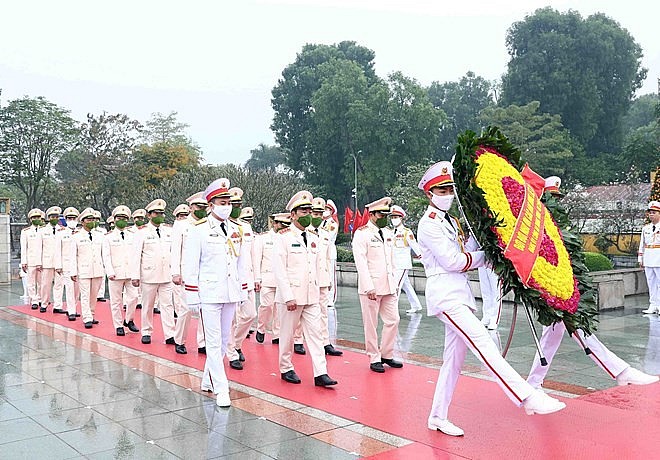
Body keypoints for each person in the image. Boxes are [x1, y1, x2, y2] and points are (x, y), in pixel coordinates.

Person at [416, 161, 566, 437]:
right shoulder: (428, 225)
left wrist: (488, 239)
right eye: (442, 189)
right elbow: (453, 261)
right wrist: (486, 257)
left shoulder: (452, 221)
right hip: (446, 296)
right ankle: (526, 396)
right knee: (484, 343)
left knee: (453, 361)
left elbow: (467, 249)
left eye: (450, 188)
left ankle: (437, 416)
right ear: (429, 193)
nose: (448, 193)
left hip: (458, 295)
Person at [526, 182, 659, 389]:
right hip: (551, 289)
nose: (557, 203)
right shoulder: (536, 225)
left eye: (558, 198)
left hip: (562, 288)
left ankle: (534, 382)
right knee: (568, 331)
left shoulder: (556, 224)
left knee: (559, 334)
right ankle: (621, 371)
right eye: (552, 198)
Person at [183, 177, 250, 407]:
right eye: (221, 202)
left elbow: (241, 262)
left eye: (228, 202)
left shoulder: (237, 229)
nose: (226, 206)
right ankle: (222, 390)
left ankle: (208, 379)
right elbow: (190, 264)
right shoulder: (198, 230)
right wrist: (192, 294)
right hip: (209, 293)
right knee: (212, 342)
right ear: (210, 205)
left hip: (230, 292)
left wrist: (243, 290)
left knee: (222, 341)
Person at [273, 191, 337, 387]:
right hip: (291, 297)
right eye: (303, 211)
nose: (307, 214)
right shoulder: (282, 237)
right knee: (287, 335)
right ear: (292, 215)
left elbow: (317, 266)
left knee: (316, 334)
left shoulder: (313, 236)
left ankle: (321, 372)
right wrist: (288, 296)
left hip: (311, 295)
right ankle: (286, 367)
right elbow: (280, 270)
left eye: (309, 210)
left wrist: (319, 291)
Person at [352, 197, 402, 373]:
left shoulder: (388, 233)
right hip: (371, 287)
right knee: (371, 324)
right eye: (381, 214)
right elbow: (361, 262)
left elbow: (391, 261)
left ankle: (386, 353)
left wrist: (394, 283)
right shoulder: (362, 233)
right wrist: (368, 287)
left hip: (388, 285)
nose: (384, 217)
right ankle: (374, 357)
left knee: (393, 320)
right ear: (372, 214)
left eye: (386, 214)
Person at [131, 199, 176, 345]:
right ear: (149, 215)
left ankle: (170, 334)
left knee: (168, 306)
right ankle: (146, 331)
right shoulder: (142, 232)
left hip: (166, 275)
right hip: (149, 275)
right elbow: (136, 255)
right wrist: (135, 276)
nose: (160, 216)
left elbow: (172, 253)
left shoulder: (168, 231)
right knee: (148, 305)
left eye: (162, 213)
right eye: (157, 213)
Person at [171, 192, 209, 354]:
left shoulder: (207, 224)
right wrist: (175, 273)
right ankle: (179, 340)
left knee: (205, 311)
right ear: (191, 207)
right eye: (198, 207)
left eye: (204, 207)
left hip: (205, 274)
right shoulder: (181, 225)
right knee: (185, 310)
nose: (201, 210)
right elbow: (175, 250)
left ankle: (202, 343)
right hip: (186, 274)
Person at [225, 187, 257, 370]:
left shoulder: (246, 227)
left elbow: (251, 254)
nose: (236, 207)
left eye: (239, 204)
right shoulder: (222, 227)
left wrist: (256, 277)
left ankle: (236, 344)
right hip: (229, 279)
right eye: (233, 204)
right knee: (230, 318)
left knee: (250, 314)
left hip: (247, 278)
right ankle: (231, 353)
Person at [311, 197, 342, 356]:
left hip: (322, 276)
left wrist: (328, 279)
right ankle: (296, 340)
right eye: (315, 212)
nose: (319, 214)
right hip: (307, 279)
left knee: (323, 312)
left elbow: (327, 254)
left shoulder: (326, 230)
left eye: (321, 211)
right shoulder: (306, 231)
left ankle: (325, 342)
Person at [102, 205, 140, 336]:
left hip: (130, 272)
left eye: (124, 218)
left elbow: (136, 255)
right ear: (114, 219)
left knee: (134, 297)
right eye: (119, 218)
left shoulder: (133, 235)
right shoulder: (108, 237)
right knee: (116, 301)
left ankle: (129, 319)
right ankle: (118, 325)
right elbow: (106, 256)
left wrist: (137, 272)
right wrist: (109, 272)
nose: (122, 220)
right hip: (116, 273)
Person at [254, 212, 290, 344]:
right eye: (281, 224)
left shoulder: (288, 238)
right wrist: (257, 279)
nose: (284, 227)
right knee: (267, 305)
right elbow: (257, 259)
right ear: (275, 224)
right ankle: (261, 328)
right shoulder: (263, 238)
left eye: (287, 225)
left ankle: (277, 334)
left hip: (283, 280)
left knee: (279, 309)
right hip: (267, 277)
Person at [68, 208, 105, 329]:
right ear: (82, 222)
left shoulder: (100, 235)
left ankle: (92, 314)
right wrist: (73, 271)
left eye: (93, 219)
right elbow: (73, 255)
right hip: (83, 270)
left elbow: (104, 253)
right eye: (89, 219)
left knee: (94, 295)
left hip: (97, 269)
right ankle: (87, 317)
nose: (91, 221)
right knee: (85, 294)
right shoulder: (76, 236)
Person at [389, 205, 424, 314]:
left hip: (403, 264)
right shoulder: (391, 232)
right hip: (395, 264)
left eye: (396, 217)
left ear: (401, 218)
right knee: (406, 286)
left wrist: (423, 260)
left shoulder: (406, 232)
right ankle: (416, 305)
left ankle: (392, 309)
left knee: (396, 286)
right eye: (392, 217)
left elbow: (415, 246)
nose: (394, 219)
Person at [55, 207, 81, 321]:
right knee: (69, 288)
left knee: (77, 290)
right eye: (69, 218)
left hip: (80, 266)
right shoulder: (61, 233)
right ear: (65, 219)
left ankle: (74, 308)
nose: (72, 220)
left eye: (74, 218)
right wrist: (58, 265)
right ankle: (71, 311)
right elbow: (57, 250)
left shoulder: (81, 233)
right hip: (67, 265)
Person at [38, 206, 63, 313]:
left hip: (59, 262)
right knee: (45, 284)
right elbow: (39, 247)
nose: (54, 218)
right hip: (46, 261)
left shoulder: (62, 230)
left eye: (56, 217)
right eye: (52, 216)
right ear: (49, 218)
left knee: (59, 284)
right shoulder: (42, 230)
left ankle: (57, 305)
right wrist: (38, 262)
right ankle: (44, 303)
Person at [21, 208, 45, 310]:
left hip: (42, 260)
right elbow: (24, 247)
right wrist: (24, 261)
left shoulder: (44, 230)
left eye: (38, 217)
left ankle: (40, 299)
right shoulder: (26, 232)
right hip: (31, 260)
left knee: (41, 282)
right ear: (31, 219)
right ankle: (34, 300)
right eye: (34, 217)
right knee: (31, 282)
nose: (36, 219)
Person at [639, 201, 660, 314]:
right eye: (650, 213)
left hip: (659, 258)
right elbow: (642, 244)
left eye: (654, 212)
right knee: (651, 282)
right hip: (648, 258)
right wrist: (640, 258)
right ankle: (653, 304)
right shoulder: (646, 228)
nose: (651, 215)